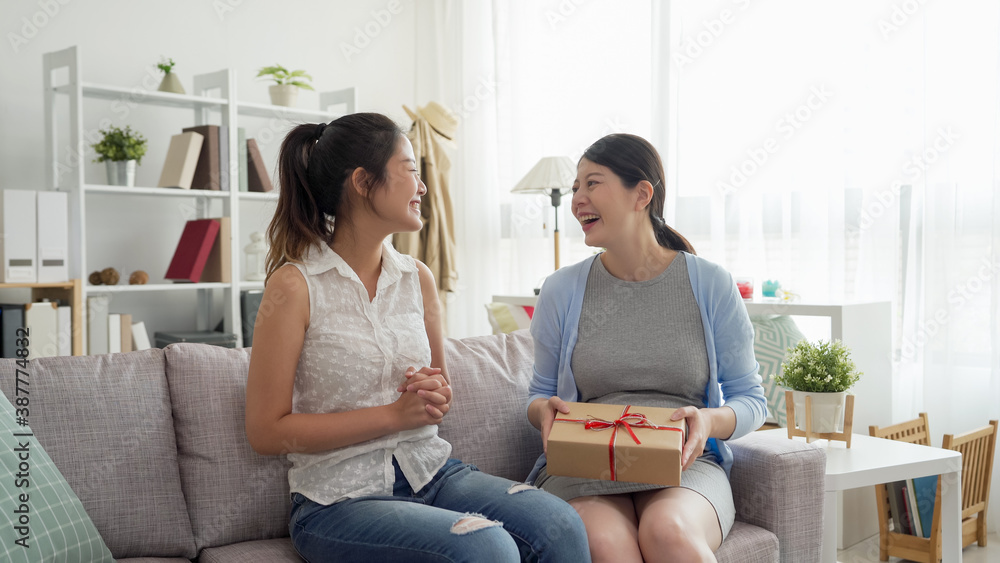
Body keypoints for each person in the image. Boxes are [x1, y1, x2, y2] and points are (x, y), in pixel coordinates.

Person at [244, 112, 590, 563]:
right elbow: (266, 432)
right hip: (340, 500)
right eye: (410, 171)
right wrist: (392, 415)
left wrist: (433, 397)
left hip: (433, 473)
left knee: (560, 525)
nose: (422, 187)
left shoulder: (418, 278)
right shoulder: (294, 286)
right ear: (363, 182)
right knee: (487, 548)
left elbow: (440, 397)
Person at [525, 133, 767, 562]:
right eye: (575, 186)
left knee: (668, 531)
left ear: (642, 194)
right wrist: (543, 412)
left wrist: (707, 422)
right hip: (583, 468)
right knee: (605, 544)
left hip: (685, 468)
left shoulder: (710, 284)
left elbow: (752, 400)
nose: (578, 198)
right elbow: (538, 395)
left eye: (592, 183)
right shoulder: (561, 290)